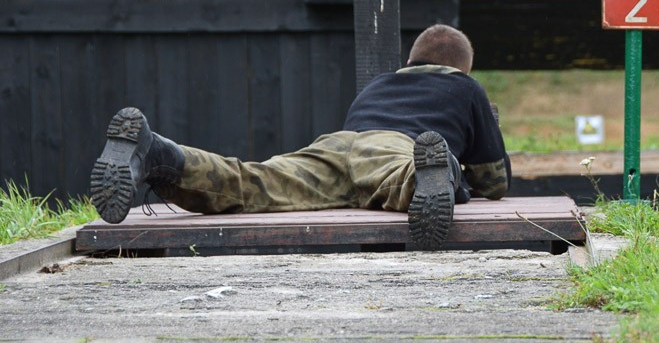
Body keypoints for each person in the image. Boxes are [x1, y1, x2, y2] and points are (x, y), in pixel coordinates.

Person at [89, 25, 511, 250]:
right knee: (399, 177)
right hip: (396, 147)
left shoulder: (380, 84)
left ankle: (158, 154)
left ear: (410, 60)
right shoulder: (465, 87)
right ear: (463, 68)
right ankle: (433, 171)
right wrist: (477, 139)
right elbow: (495, 183)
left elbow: (356, 158)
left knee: (252, 180)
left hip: (336, 144)